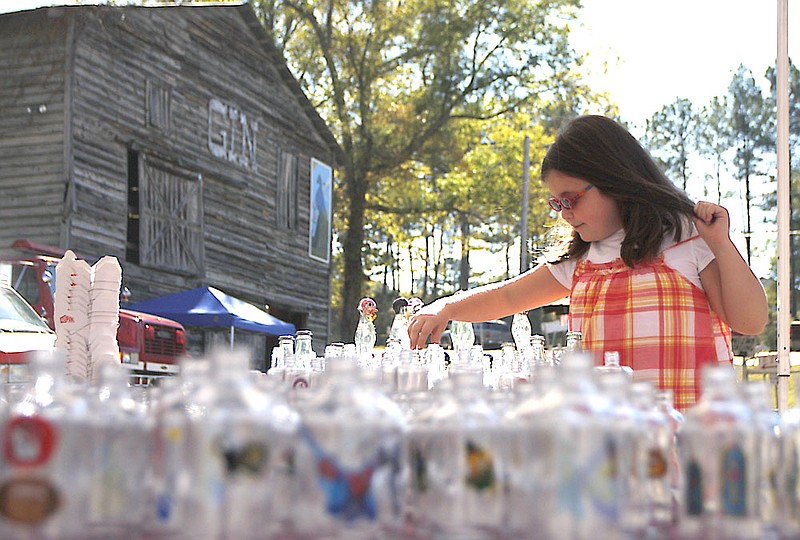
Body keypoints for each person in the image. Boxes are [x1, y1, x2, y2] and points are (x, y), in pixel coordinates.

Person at [407, 115, 768, 410]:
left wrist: (721, 244)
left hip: (691, 439)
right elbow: (507, 299)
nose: (565, 213)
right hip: (609, 450)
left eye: (571, 199)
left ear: (615, 179)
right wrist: (447, 306)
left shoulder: (687, 235)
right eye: (557, 203)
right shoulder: (581, 260)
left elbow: (750, 321)